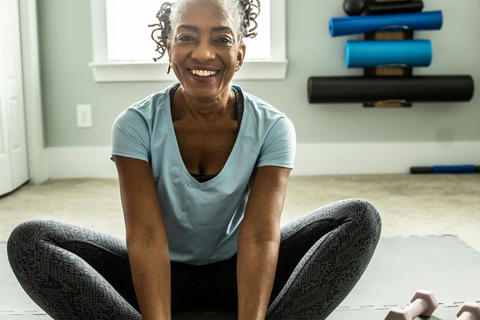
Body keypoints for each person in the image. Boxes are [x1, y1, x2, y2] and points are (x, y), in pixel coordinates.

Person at [6, 0, 382, 319]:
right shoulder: (135, 125)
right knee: (30, 240)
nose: (203, 54)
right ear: (169, 48)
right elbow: (147, 237)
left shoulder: (273, 128)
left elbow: (260, 236)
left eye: (221, 39)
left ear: (240, 54)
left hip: (241, 275)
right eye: (187, 37)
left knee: (360, 217)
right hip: (157, 278)